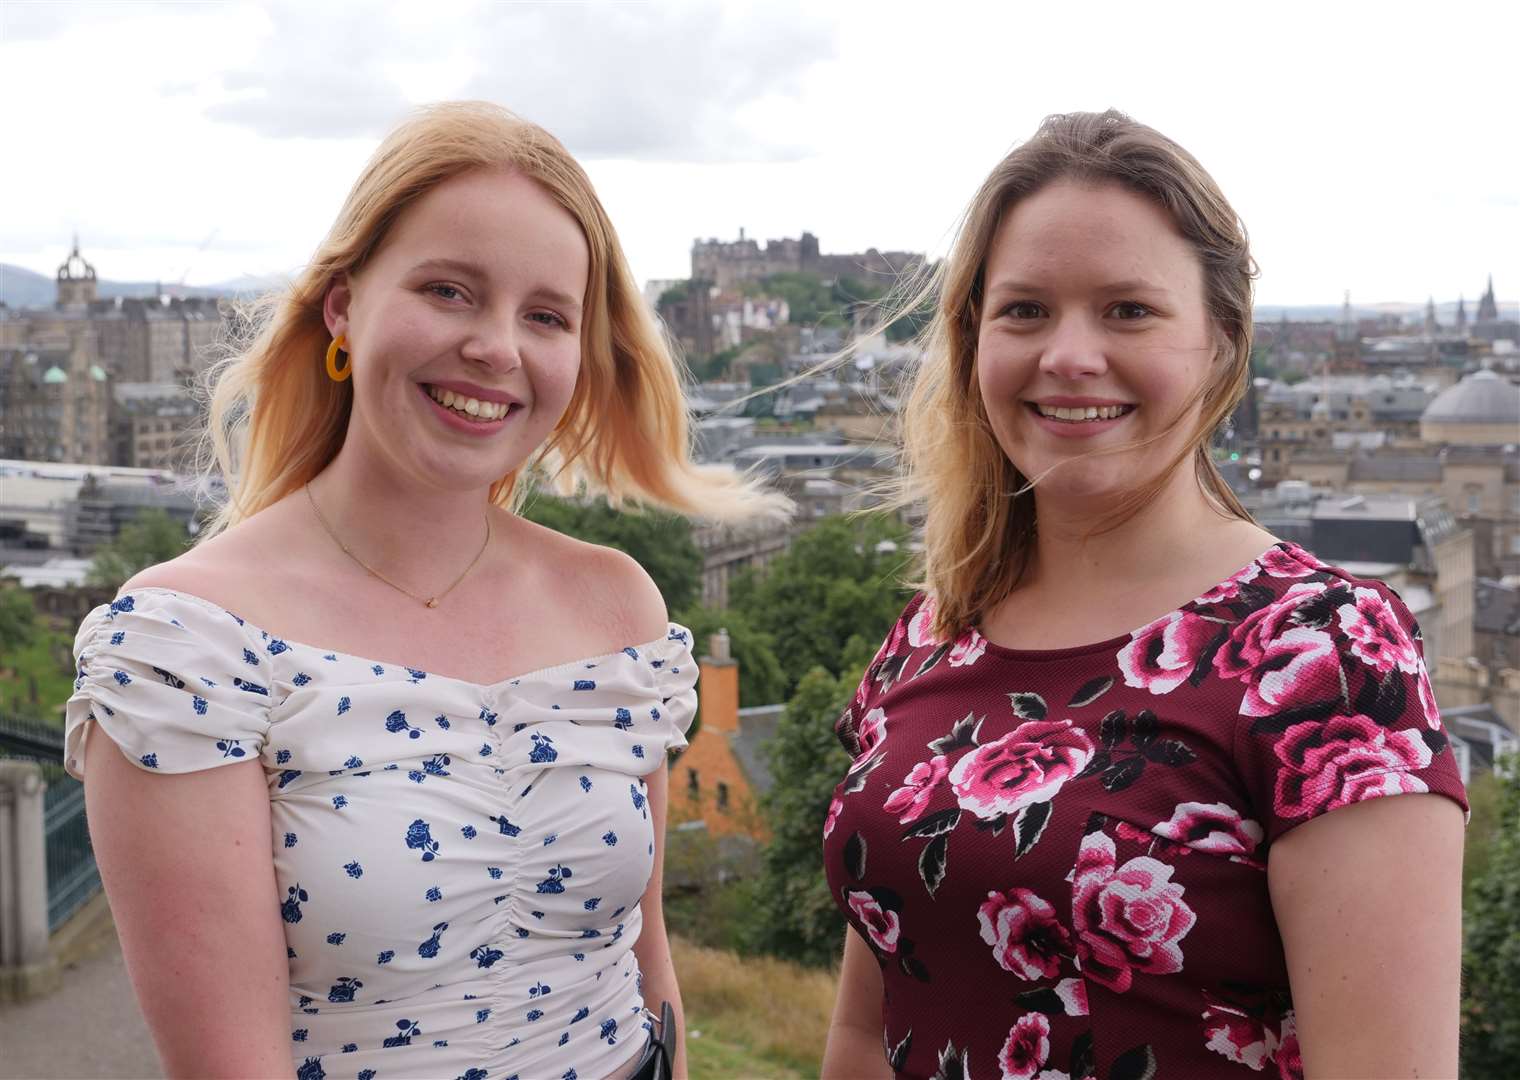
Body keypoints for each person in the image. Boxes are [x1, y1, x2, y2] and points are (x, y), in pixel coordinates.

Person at [65, 101, 781, 1080]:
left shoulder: (617, 608)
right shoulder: (187, 650)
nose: (496, 347)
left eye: (545, 316)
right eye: (449, 291)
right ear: (343, 306)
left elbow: (646, 967)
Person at [820, 111, 1466, 1080]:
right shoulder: (927, 636)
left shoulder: (1325, 656)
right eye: (1024, 310)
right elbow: (867, 1033)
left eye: (1126, 310)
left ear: (1217, 344)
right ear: (971, 342)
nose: (1068, 356)